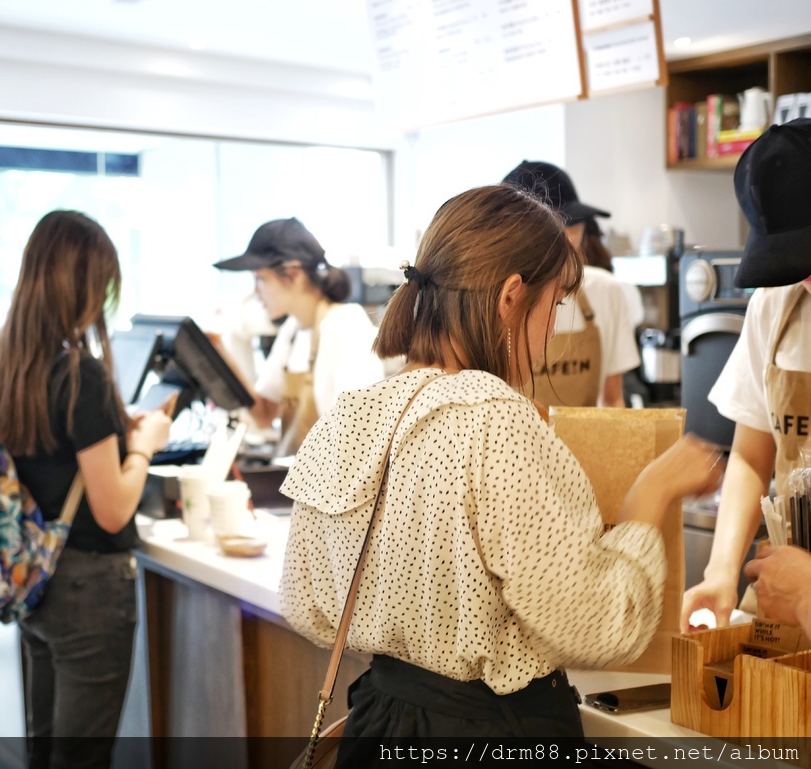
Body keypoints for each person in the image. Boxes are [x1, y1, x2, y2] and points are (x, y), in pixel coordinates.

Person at [278, 185, 723, 760]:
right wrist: (651, 494)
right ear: (513, 296)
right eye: (555, 304)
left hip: (381, 726)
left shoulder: (351, 414)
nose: (554, 332)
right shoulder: (497, 425)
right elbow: (600, 628)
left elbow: (303, 602)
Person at [0, 210, 172, 769]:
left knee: (47, 747)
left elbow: (57, 460)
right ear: (85, 285)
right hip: (89, 585)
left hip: (36, 577)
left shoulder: (9, 370)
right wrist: (144, 444)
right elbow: (112, 510)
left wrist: (114, 433)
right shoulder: (79, 375)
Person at [681, 119, 811, 633]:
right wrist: (720, 574)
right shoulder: (777, 305)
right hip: (784, 598)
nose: (804, 276)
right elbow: (752, 457)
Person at [213, 218, 385, 455]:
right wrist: (218, 354)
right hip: (294, 484)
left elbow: (359, 436)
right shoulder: (291, 331)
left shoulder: (347, 326)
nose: (255, 291)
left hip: (330, 487)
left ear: (293, 274)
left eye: (261, 279)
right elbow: (264, 414)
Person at [503, 161, 640, 408]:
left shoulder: (606, 291)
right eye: (555, 228)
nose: (567, 241)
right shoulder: (489, 308)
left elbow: (613, 401)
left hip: (588, 445)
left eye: (574, 227)